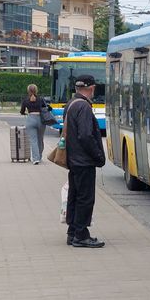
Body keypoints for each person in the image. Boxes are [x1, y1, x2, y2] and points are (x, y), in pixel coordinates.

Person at [64, 75, 106, 248]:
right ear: (92, 88)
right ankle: (81, 235)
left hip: (73, 159)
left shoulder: (71, 104)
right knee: (85, 199)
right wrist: (98, 156)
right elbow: (86, 135)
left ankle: (72, 232)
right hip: (84, 161)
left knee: (74, 196)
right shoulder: (84, 107)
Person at [20, 84, 47, 164]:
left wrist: (24, 113)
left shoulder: (25, 100)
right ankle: (40, 156)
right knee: (40, 139)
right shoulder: (41, 99)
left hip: (30, 119)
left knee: (33, 140)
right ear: (36, 90)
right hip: (41, 120)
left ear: (28, 91)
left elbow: (22, 111)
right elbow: (46, 108)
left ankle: (35, 159)